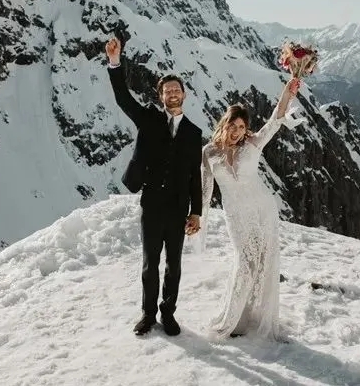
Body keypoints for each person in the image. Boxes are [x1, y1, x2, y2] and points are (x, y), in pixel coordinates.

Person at [105, 35, 203, 337]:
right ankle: (148, 314)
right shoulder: (148, 118)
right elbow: (123, 99)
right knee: (150, 264)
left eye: (176, 89)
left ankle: (168, 313)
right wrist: (115, 62)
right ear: (160, 96)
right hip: (151, 204)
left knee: (174, 265)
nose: (172, 93)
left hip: (178, 208)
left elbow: (195, 174)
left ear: (184, 95)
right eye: (167, 90)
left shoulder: (193, 132)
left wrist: (196, 212)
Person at [199, 77, 303, 341]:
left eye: (241, 127)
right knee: (245, 261)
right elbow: (204, 189)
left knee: (263, 261)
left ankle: (254, 315)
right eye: (232, 125)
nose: (236, 131)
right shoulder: (209, 152)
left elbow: (276, 119)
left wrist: (287, 91)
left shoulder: (253, 144)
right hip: (236, 214)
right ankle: (232, 320)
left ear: (246, 130)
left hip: (262, 209)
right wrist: (197, 216)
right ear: (224, 124)